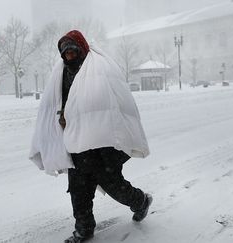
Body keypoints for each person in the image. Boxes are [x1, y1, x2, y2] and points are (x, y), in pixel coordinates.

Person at [29, 30, 152, 243]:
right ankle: (84, 229)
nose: (69, 57)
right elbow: (55, 102)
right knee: (78, 189)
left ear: (81, 49)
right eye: (65, 54)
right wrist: (62, 117)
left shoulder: (100, 68)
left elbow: (110, 103)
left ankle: (141, 201)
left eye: (72, 52)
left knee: (114, 186)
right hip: (76, 142)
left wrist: (77, 116)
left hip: (102, 144)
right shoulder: (61, 73)